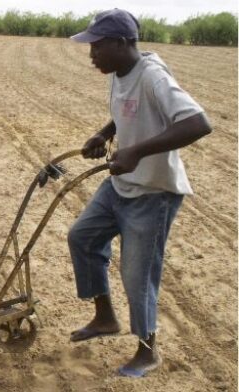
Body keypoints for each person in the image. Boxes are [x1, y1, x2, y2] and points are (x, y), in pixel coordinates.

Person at [67, 9, 211, 377]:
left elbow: (198, 123)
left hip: (153, 192)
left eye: (97, 47)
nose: (92, 55)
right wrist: (105, 134)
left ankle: (148, 352)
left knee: (137, 274)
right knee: (82, 237)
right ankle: (105, 318)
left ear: (122, 43)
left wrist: (136, 151)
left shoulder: (154, 77)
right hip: (121, 184)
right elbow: (125, 111)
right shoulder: (118, 72)